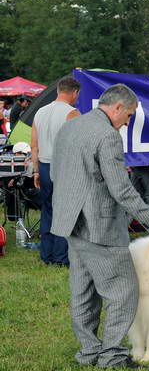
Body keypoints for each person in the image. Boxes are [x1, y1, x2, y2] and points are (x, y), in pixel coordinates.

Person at [50, 84, 149, 370]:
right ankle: (112, 356)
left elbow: (57, 173)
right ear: (118, 107)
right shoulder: (107, 136)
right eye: (129, 115)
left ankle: (89, 352)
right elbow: (122, 190)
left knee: (82, 291)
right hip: (99, 225)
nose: (127, 123)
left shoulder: (70, 127)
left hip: (71, 221)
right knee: (124, 290)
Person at [30, 75, 81, 266]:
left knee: (48, 210)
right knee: (65, 213)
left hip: (43, 166)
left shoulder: (40, 112)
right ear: (75, 93)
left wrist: (35, 171)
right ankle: (61, 257)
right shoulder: (73, 113)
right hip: (63, 167)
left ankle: (47, 255)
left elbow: (34, 146)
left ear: (58, 90)